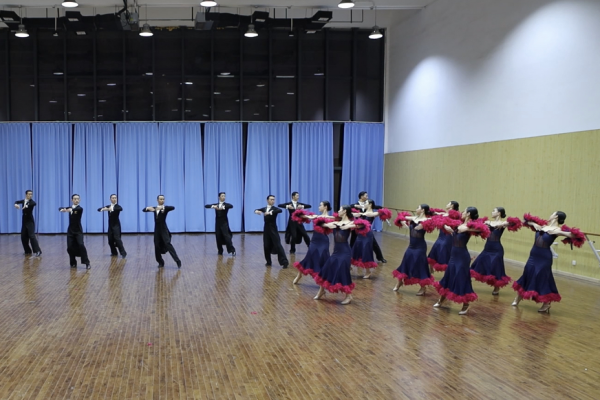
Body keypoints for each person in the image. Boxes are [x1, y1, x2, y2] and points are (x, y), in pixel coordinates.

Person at [512, 211, 575, 313]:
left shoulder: (557, 229)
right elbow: (525, 221)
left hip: (544, 258)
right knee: (527, 274)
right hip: (533, 255)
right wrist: (534, 224)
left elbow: (574, 235)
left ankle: (546, 303)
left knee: (542, 278)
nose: (550, 215)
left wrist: (559, 233)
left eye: (552, 214)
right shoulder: (543, 226)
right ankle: (518, 298)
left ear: (556, 216)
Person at [433, 207, 489, 315]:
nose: (462, 212)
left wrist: (468, 229)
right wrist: (447, 228)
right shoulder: (458, 223)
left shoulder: (471, 226)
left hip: (462, 257)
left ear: (468, 214)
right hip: (453, 256)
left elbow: (483, 229)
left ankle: (466, 304)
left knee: (462, 279)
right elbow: (443, 224)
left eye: (464, 211)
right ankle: (441, 300)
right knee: (448, 277)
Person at [313, 205, 362, 305]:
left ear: (345, 211)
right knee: (326, 269)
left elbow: (363, 225)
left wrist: (349, 226)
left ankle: (349, 296)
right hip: (336, 252)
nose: (338, 211)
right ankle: (321, 291)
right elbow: (319, 223)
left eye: (340, 210)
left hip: (345, 252)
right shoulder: (335, 223)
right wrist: (327, 225)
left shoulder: (350, 223)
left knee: (343, 272)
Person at [393, 204, 435, 295]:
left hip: (420, 247)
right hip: (411, 246)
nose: (416, 209)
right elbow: (401, 216)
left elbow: (434, 222)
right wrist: (403, 222)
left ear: (423, 210)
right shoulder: (414, 218)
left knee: (420, 265)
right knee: (405, 262)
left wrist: (423, 225)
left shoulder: (427, 220)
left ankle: (423, 287)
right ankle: (399, 282)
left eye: (418, 208)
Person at [470, 207, 513, 295]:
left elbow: (515, 222)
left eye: (494, 211)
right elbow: (475, 223)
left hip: (497, 249)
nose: (492, 212)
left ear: (499, 213)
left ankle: (496, 287)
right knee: (477, 263)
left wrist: (503, 224)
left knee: (496, 268)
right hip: (487, 248)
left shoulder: (503, 223)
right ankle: (466, 281)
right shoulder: (487, 222)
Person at [292, 201, 335, 284]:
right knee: (309, 257)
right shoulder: (316, 216)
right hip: (315, 241)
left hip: (324, 241)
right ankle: (299, 275)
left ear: (325, 207)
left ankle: (322, 280)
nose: (319, 207)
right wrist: (299, 210)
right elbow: (300, 216)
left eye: (320, 205)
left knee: (323, 258)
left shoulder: (331, 218)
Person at [143, 195, 181, 268]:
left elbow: (172, 207)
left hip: (163, 229)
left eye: (163, 199)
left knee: (168, 244)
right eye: (160, 199)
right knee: (156, 245)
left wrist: (162, 208)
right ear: (157, 200)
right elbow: (144, 210)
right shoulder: (154, 208)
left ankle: (177, 260)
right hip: (157, 230)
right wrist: (148, 208)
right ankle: (160, 262)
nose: (162, 200)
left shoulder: (165, 208)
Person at [350, 191, 386, 263]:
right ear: (361, 196)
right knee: (353, 242)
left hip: (367, 229)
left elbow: (378, 208)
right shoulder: (354, 205)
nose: (367, 197)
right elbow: (350, 210)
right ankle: (351, 257)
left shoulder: (368, 205)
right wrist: (357, 206)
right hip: (357, 228)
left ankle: (380, 257)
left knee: (373, 243)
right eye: (366, 196)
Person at [255, 195, 289, 269]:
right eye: (271, 199)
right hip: (266, 229)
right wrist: (257, 211)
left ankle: (284, 262)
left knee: (278, 245)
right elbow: (256, 210)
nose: (273, 201)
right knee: (266, 245)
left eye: (273, 199)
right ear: (267, 200)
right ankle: (268, 262)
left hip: (273, 229)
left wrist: (270, 213)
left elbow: (280, 210)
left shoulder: (275, 209)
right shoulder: (264, 208)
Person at [427, 201, 460, 272]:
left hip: (447, 237)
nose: (446, 204)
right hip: (441, 236)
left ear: (452, 206)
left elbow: (453, 224)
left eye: (448, 203)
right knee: (434, 251)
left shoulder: (455, 215)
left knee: (444, 253)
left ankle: (448, 271)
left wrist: (443, 223)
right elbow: (435, 215)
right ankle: (430, 270)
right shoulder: (444, 214)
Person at [59, 194, 90, 269]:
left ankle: (87, 262)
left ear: (79, 200)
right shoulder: (70, 208)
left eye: (78, 199)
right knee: (70, 247)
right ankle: (73, 263)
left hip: (78, 231)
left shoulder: (80, 208)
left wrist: (69, 210)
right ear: (72, 200)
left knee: (81, 245)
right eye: (75, 199)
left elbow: (75, 210)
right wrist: (62, 209)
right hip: (70, 231)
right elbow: (60, 208)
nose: (76, 200)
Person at [350, 199, 379, 279]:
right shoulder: (362, 212)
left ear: (370, 204)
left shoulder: (373, 213)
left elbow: (378, 213)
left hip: (367, 235)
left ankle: (368, 271)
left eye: (366, 203)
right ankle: (350, 265)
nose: (364, 204)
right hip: (360, 234)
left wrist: (362, 213)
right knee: (356, 249)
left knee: (366, 251)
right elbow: (352, 214)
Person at [205, 192, 236, 256]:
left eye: (224, 196)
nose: (223, 197)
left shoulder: (226, 205)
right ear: (219, 197)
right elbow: (206, 206)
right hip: (218, 223)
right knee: (218, 237)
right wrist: (214, 206)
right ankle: (220, 250)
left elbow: (231, 206)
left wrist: (222, 207)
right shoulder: (216, 204)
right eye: (222, 196)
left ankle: (232, 250)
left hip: (224, 223)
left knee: (227, 237)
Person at [98, 194, 127, 259]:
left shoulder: (117, 206)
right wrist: (104, 209)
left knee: (117, 239)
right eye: (113, 198)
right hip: (110, 226)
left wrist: (110, 209)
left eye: (115, 198)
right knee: (110, 240)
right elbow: (99, 209)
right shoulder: (108, 206)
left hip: (116, 225)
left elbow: (120, 209)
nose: (114, 199)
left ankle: (123, 253)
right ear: (110, 199)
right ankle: (114, 252)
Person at [14, 190, 42, 257]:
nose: (30, 195)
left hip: (30, 221)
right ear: (26, 194)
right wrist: (16, 204)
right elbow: (17, 202)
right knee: (23, 237)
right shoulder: (23, 201)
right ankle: (27, 251)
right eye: (29, 194)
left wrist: (26, 206)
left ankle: (38, 251)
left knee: (32, 236)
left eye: (31, 194)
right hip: (24, 221)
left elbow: (34, 203)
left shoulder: (31, 202)